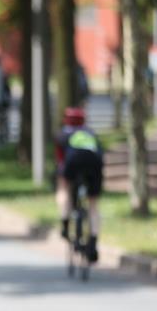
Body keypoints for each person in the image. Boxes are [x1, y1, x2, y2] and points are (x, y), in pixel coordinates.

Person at [54, 107, 104, 262]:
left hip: (73, 162)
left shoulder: (63, 134)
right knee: (93, 204)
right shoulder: (91, 133)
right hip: (94, 164)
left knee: (64, 188)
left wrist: (62, 177)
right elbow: (100, 153)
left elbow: (61, 161)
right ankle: (93, 242)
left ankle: (65, 222)